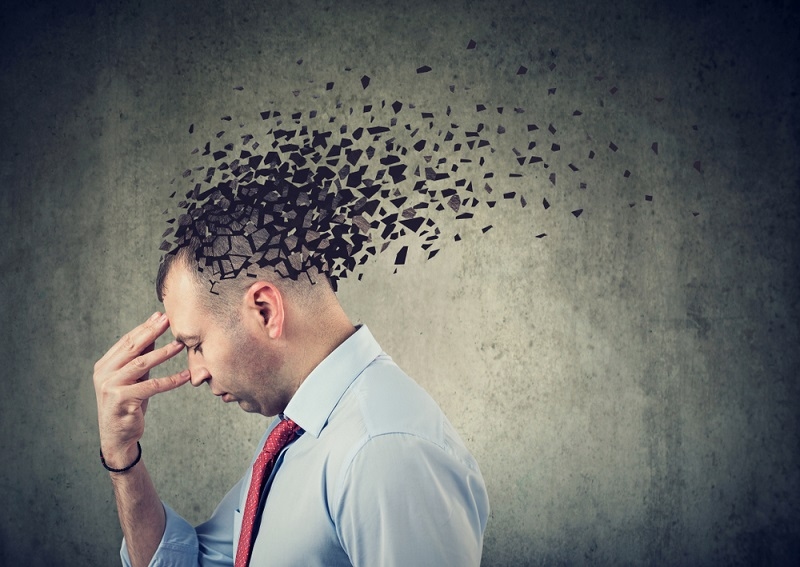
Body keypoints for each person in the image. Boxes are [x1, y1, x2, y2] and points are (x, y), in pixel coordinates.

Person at [93, 239, 490, 566]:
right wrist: (122, 455)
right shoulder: (295, 432)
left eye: (196, 345)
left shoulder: (384, 452)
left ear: (265, 310)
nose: (195, 373)